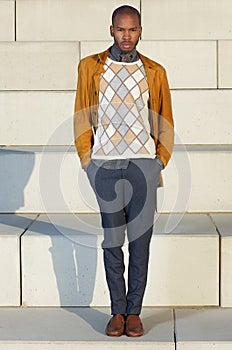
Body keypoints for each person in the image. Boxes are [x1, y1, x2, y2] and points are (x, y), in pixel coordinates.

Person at [74, 5, 174, 337]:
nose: (126, 36)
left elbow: (165, 119)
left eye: (132, 30)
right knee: (112, 241)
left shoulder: (154, 71)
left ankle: (135, 312)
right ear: (111, 30)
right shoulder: (91, 67)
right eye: (120, 29)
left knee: (140, 243)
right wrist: (88, 162)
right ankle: (117, 311)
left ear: (141, 31)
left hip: (142, 165)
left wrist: (159, 161)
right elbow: (81, 115)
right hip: (105, 166)